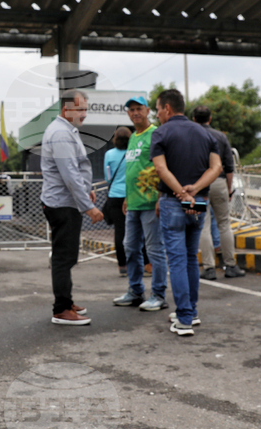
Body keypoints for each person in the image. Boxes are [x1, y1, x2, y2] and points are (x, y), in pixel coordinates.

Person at [151, 89, 221, 337]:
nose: (157, 114)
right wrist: (195, 190)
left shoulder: (161, 133)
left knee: (178, 259)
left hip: (173, 202)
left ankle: (183, 320)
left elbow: (161, 169)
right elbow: (217, 167)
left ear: (167, 109)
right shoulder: (205, 133)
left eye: (158, 109)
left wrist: (180, 192)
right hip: (199, 201)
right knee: (191, 257)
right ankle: (191, 310)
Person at [40, 89, 105, 325]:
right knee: (63, 257)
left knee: (67, 256)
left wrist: (85, 190)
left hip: (66, 202)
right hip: (63, 204)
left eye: (86, 109)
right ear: (66, 109)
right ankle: (61, 309)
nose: (84, 114)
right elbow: (69, 175)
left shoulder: (67, 131)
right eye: (80, 109)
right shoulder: (61, 134)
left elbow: (75, 171)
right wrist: (88, 206)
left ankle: (66, 301)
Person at [112, 96, 168, 313]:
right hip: (133, 204)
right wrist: (127, 197)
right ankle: (135, 291)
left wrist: (161, 197)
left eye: (139, 109)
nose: (135, 113)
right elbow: (132, 170)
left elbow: (163, 166)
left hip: (150, 202)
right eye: (131, 109)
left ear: (147, 111)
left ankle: (159, 294)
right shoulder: (133, 137)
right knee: (130, 247)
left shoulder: (156, 134)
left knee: (154, 250)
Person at [191, 106, 245, 280]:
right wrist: (228, 189)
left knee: (203, 226)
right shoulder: (220, 137)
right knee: (224, 223)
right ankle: (230, 265)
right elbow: (229, 166)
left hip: (197, 185)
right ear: (210, 118)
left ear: (193, 119)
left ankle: (209, 268)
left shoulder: (190, 136)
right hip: (219, 182)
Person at [103, 126, 132, 276]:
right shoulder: (133, 154)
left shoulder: (109, 154)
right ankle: (139, 262)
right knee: (135, 231)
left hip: (115, 196)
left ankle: (122, 265)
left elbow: (108, 177)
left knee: (119, 232)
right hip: (132, 196)